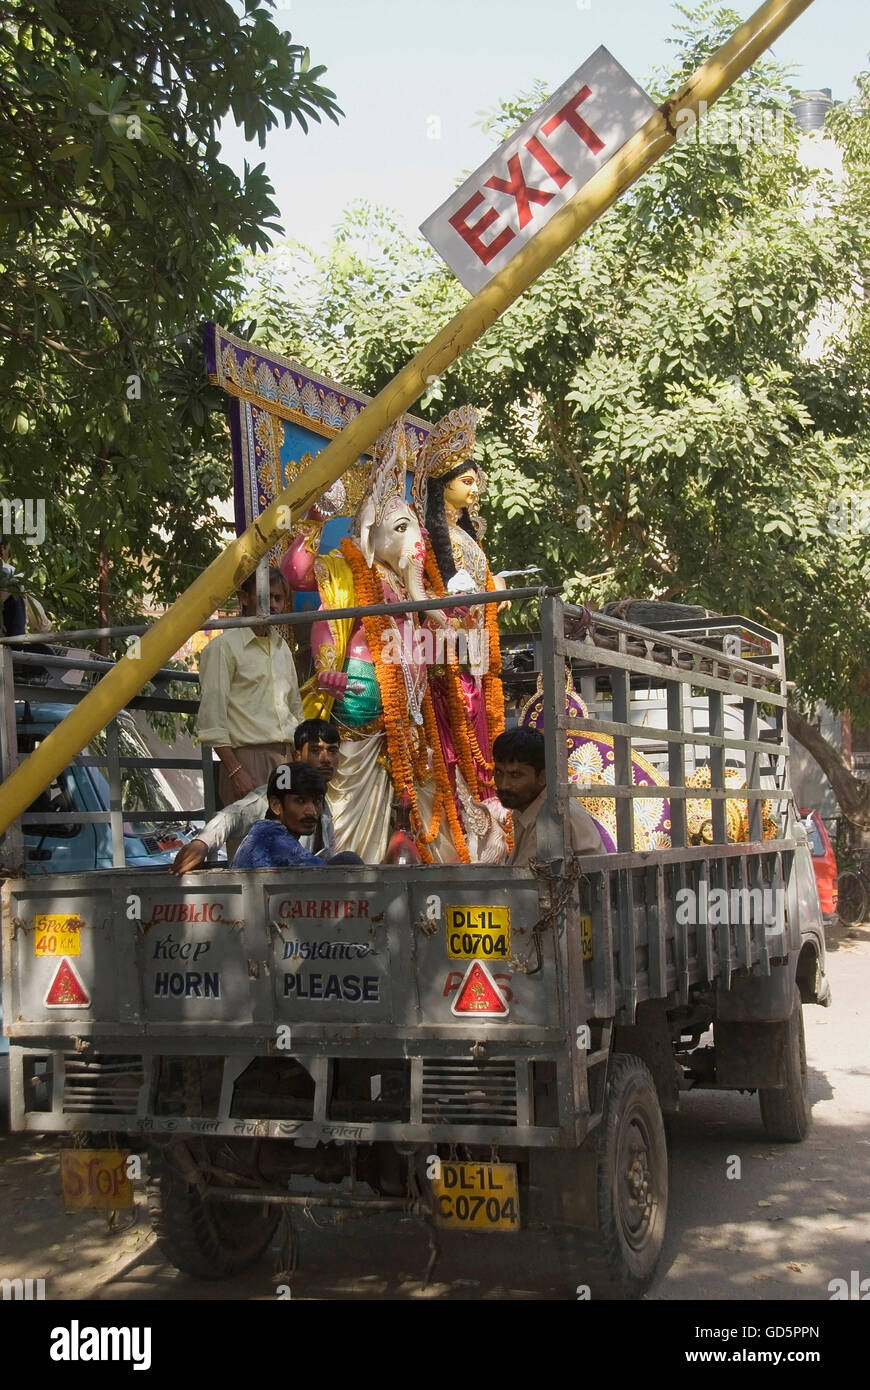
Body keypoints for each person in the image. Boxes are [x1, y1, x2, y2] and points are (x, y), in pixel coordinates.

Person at [196, 568, 304, 823]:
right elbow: (212, 718)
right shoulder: (223, 647)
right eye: (268, 598)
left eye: (279, 599)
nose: (274, 606)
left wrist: (297, 760)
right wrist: (235, 771)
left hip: (284, 756)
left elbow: (294, 708)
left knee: (284, 840)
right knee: (248, 842)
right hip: (246, 758)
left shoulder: (282, 647)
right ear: (244, 598)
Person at [171, 719, 341, 873]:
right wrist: (201, 843)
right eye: (315, 751)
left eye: (333, 751)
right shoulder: (280, 793)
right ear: (296, 755)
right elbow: (233, 815)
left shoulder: (324, 808)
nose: (326, 759)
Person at [493, 727, 604, 866]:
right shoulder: (530, 809)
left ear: (543, 777)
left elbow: (523, 883)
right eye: (498, 772)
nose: (504, 785)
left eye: (515, 775)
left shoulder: (553, 816)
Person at [231, 763, 328, 869]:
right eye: (301, 801)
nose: (312, 812)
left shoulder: (263, 833)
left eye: (317, 801)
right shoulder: (272, 838)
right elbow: (326, 873)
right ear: (276, 805)